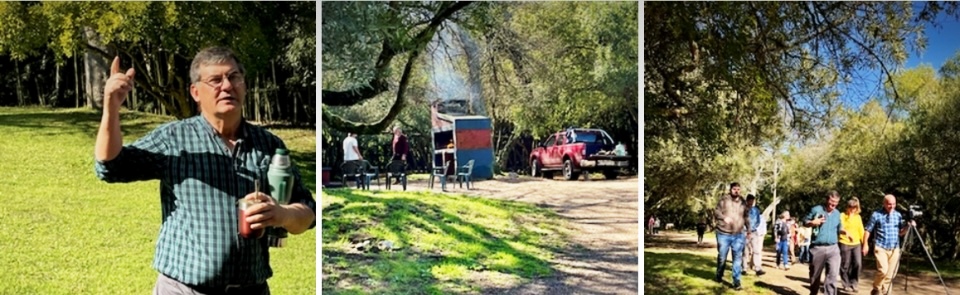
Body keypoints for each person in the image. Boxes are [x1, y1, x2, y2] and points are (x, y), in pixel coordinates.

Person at [94, 47, 317, 294]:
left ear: (244, 85)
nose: (227, 86)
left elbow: (308, 212)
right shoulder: (174, 139)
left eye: (234, 77)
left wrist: (283, 214)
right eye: (215, 80)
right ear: (196, 92)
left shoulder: (269, 145)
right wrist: (111, 108)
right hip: (184, 290)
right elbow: (110, 166)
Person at [863, 194, 915, 295]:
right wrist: (865, 244)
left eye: (894, 204)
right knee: (883, 270)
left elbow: (900, 233)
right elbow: (868, 229)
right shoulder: (876, 214)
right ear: (884, 203)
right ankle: (876, 288)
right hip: (881, 247)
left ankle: (886, 292)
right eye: (889, 204)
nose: (892, 206)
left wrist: (908, 227)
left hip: (895, 248)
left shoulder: (898, 215)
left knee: (891, 274)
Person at [803, 190, 844, 295]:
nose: (833, 204)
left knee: (833, 275)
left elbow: (839, 227)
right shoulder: (816, 210)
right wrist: (812, 222)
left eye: (836, 202)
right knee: (815, 276)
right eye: (831, 201)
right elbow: (805, 222)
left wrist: (843, 231)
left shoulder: (837, 213)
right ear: (827, 200)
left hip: (833, 248)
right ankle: (813, 292)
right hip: (818, 248)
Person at [712, 182, 750, 290]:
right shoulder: (724, 199)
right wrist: (724, 218)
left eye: (738, 189)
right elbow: (716, 211)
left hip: (738, 234)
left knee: (737, 259)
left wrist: (749, 229)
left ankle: (736, 282)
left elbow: (746, 216)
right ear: (730, 190)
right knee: (722, 257)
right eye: (734, 189)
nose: (736, 191)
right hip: (723, 233)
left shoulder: (743, 202)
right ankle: (719, 275)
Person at [839, 197, 867, 293]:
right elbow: (840, 227)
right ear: (847, 207)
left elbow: (861, 230)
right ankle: (846, 284)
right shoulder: (842, 215)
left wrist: (865, 244)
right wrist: (846, 233)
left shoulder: (858, 217)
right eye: (850, 207)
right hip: (844, 242)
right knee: (845, 264)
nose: (852, 209)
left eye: (854, 207)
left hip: (856, 243)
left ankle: (854, 283)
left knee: (858, 264)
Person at [742, 195, 766, 276]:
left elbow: (758, 221)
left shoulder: (756, 210)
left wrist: (753, 227)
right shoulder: (743, 209)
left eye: (752, 201)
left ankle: (758, 268)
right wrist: (746, 229)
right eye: (750, 201)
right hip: (745, 232)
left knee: (756, 250)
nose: (751, 202)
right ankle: (744, 268)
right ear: (747, 201)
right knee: (745, 251)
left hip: (754, 232)